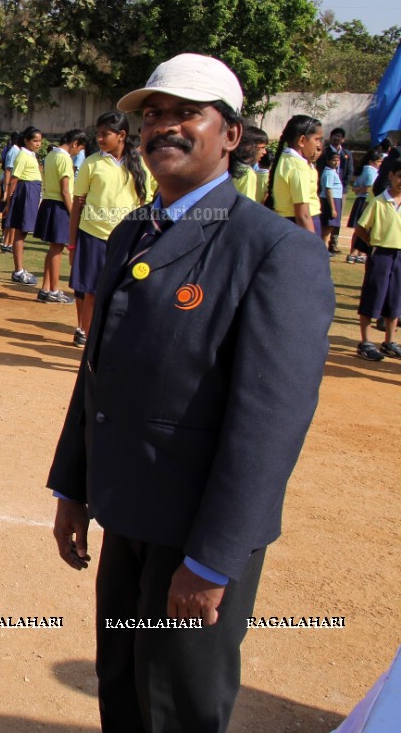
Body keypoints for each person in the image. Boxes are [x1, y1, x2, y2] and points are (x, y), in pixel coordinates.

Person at [49, 53, 334, 733]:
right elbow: (101, 374)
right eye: (153, 115)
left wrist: (213, 558)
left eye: (187, 114)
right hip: (128, 513)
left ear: (231, 135)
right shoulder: (132, 233)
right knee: (121, 685)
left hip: (196, 530)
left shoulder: (272, 249)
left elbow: (269, 422)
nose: (164, 128)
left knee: (176, 704)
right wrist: (73, 487)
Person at [68, 111, 147, 347]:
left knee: (122, 293)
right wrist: (72, 243)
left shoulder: (140, 165)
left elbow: (146, 205)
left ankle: (112, 342)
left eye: (105, 134)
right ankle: (90, 340)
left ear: (122, 135)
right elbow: (76, 206)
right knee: (91, 292)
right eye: (98, 134)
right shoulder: (91, 163)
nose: (100, 139)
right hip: (93, 237)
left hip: (127, 240)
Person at [351, 159, 401, 361]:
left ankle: (390, 341)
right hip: (381, 252)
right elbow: (360, 227)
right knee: (374, 294)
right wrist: (372, 242)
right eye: (400, 177)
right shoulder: (379, 201)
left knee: (395, 298)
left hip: (400, 254)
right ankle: (366, 341)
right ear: (391, 176)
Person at [35, 130, 87, 303]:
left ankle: (45, 288)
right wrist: (74, 214)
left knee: (53, 249)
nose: (78, 153)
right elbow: (65, 190)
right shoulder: (64, 158)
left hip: (49, 203)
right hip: (59, 205)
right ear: (75, 143)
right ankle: (54, 290)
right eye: (79, 149)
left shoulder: (51, 155)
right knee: (57, 250)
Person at [265, 115, 323, 234]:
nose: (319, 145)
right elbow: (303, 215)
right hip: (300, 224)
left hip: (287, 223)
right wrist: (313, 245)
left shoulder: (287, 159)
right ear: (302, 140)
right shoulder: (298, 167)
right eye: (316, 139)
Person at [1, 126, 44, 286]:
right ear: (26, 141)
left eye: (40, 141)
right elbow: (14, 180)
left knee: (23, 232)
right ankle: (18, 271)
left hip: (31, 193)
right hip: (25, 194)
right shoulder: (22, 156)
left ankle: (19, 270)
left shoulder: (31, 155)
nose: (38, 144)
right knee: (20, 232)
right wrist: (9, 203)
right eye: (35, 141)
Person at [347, 149, 383, 263]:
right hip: (367, 201)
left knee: (358, 228)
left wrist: (360, 190)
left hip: (359, 200)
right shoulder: (372, 171)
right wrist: (364, 189)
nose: (380, 164)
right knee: (364, 228)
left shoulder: (363, 170)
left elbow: (354, 188)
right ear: (372, 161)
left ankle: (352, 253)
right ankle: (360, 254)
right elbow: (371, 187)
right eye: (379, 161)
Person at [230, 125, 268, 204]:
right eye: (262, 147)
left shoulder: (228, 166)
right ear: (250, 147)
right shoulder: (247, 174)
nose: (264, 152)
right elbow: (245, 206)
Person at [318, 149, 344, 255]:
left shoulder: (333, 172)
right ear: (328, 161)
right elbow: (328, 190)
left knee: (330, 226)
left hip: (335, 199)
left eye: (338, 160)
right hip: (331, 200)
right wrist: (333, 208)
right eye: (334, 160)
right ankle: (322, 247)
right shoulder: (329, 172)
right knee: (328, 226)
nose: (336, 162)